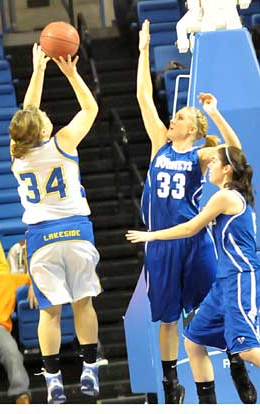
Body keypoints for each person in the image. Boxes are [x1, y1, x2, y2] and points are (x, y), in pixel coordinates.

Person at [135, 18, 256, 403]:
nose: (173, 119)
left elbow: (234, 154)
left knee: (214, 305)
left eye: (181, 117)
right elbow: (141, 98)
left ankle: (238, 361)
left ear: (194, 126)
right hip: (163, 243)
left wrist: (217, 113)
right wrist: (142, 52)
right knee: (169, 320)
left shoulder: (202, 156)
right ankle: (173, 384)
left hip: (193, 238)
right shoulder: (159, 143)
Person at [126, 146, 260, 404]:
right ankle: (208, 405)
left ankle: (237, 368)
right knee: (194, 340)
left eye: (214, 163)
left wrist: (150, 235)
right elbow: (234, 150)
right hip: (224, 282)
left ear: (226, 169)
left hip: (241, 278)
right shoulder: (228, 197)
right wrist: (213, 113)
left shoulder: (226, 197)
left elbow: (189, 228)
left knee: (247, 350)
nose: (209, 166)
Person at [9, 44, 101, 404]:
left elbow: (28, 113)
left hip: (41, 237)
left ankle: (53, 381)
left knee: (50, 313)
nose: (46, 114)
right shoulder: (62, 141)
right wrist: (70, 73)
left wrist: (37, 72)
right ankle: (90, 369)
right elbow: (90, 108)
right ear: (44, 129)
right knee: (83, 304)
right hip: (76, 230)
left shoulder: (18, 154)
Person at [0, 232, 36, 404]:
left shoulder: (7, 279)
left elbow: (32, 279)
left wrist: (33, 285)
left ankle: (21, 394)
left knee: (11, 351)